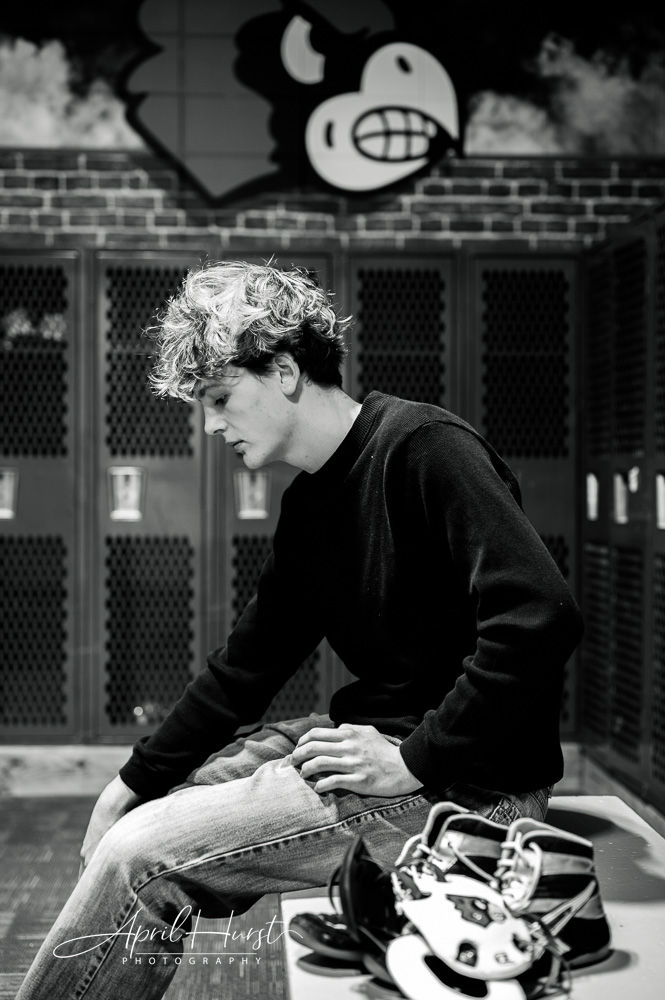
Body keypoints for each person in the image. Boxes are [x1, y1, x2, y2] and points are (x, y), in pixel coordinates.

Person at [17, 261, 583, 999]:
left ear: (283, 369)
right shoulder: (313, 506)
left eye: (220, 398)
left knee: (140, 855)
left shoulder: (425, 450)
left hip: (471, 786)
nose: (212, 424)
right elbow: (247, 663)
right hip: (371, 746)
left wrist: (417, 758)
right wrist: (129, 781)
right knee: (144, 815)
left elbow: (540, 616)